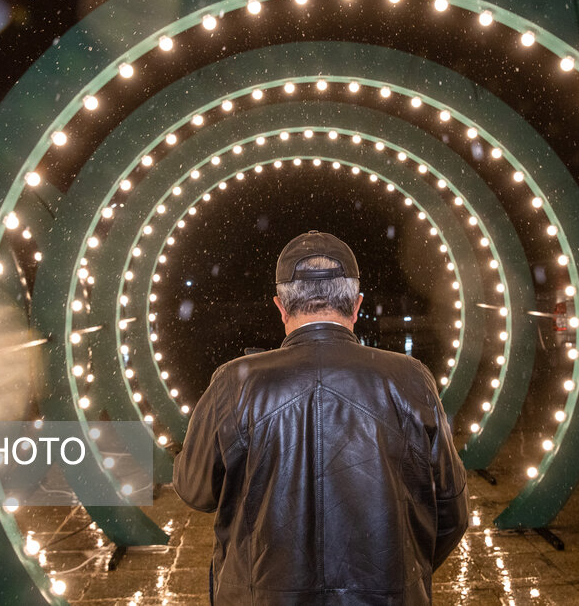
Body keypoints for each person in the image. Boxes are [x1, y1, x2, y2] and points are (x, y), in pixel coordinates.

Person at [173, 231, 468, 605]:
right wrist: (398, 577)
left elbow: (195, 491)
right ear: (357, 305)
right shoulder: (410, 378)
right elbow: (452, 512)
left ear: (281, 306)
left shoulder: (234, 382)